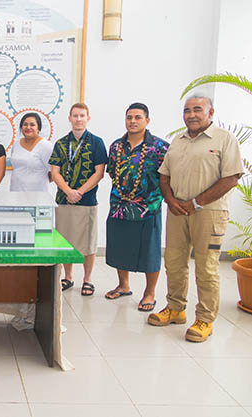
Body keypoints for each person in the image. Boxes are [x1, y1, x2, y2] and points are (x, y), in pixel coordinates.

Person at [148, 95, 243, 342]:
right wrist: (170, 200)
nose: (191, 114)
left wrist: (197, 202)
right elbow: (164, 176)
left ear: (211, 112)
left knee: (207, 266)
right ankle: (176, 308)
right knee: (174, 262)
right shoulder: (177, 141)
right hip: (178, 211)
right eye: (187, 110)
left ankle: (205, 319)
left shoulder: (224, 139)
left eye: (197, 110)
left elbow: (231, 178)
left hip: (209, 214)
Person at [104, 103, 169, 311]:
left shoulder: (160, 147)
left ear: (147, 120)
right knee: (120, 246)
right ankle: (123, 285)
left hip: (147, 208)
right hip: (119, 206)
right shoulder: (116, 146)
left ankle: (149, 293)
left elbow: (166, 177)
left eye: (138, 117)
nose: (132, 121)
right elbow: (112, 173)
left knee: (150, 251)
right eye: (129, 117)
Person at [49, 103, 107, 296]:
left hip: (86, 200)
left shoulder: (96, 143)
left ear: (88, 118)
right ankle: (68, 276)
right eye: (75, 115)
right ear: (69, 118)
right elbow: (54, 172)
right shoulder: (60, 143)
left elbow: (99, 173)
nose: (78, 119)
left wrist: (79, 192)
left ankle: (88, 279)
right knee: (66, 240)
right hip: (64, 199)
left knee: (89, 242)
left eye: (82, 115)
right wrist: (67, 191)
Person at [10, 113, 54, 192]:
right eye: (25, 124)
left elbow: (54, 173)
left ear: (38, 128)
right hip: (16, 191)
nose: (28, 127)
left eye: (32, 125)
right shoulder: (16, 144)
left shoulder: (45, 146)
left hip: (38, 194)